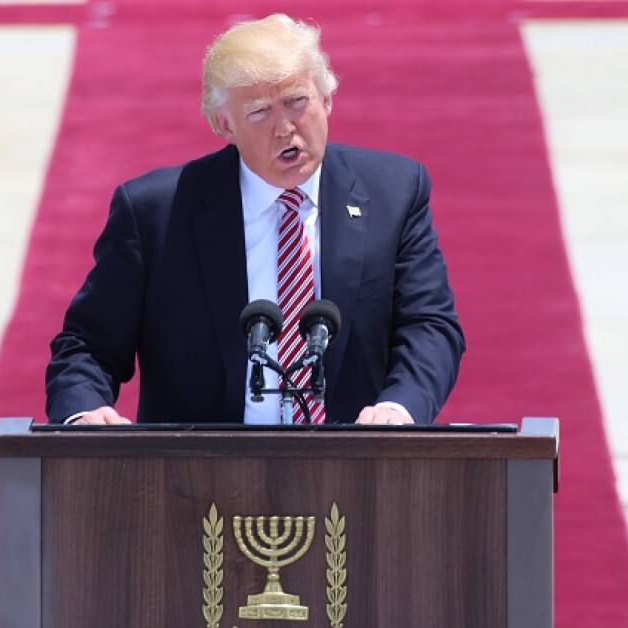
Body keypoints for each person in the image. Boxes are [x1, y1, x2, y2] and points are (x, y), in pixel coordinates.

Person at [45, 13, 465, 426]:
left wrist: (399, 407)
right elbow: (87, 345)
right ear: (223, 124)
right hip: (198, 477)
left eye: (297, 101)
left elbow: (429, 325)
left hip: (355, 469)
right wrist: (83, 414)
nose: (285, 127)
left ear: (327, 99)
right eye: (260, 112)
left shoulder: (393, 192)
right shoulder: (155, 213)